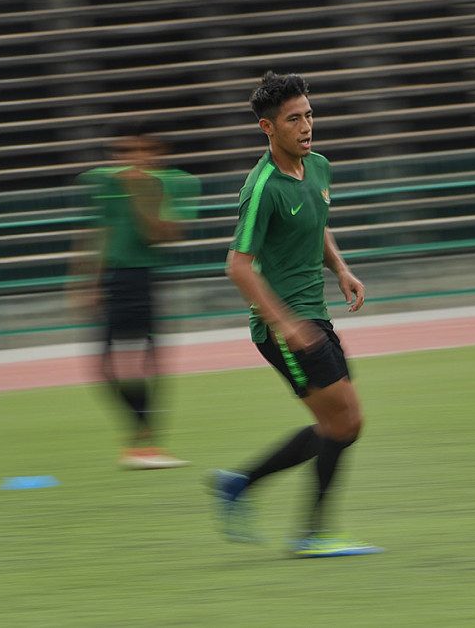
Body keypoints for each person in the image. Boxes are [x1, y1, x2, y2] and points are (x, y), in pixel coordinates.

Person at [208, 71, 384, 557]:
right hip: (284, 326)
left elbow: (317, 224)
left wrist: (341, 270)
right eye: (294, 119)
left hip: (314, 316)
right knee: (345, 423)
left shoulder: (319, 166)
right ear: (268, 128)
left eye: (309, 115)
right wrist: (284, 323)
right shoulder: (262, 186)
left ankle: (240, 484)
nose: (306, 126)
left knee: (342, 424)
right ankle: (312, 533)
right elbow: (237, 266)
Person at [69, 120, 200, 469]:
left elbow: (162, 235)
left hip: (146, 276)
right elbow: (97, 231)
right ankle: (141, 437)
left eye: (143, 150)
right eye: (126, 152)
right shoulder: (103, 182)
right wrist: (84, 282)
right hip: (112, 278)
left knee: (149, 361)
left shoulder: (178, 184)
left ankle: (146, 442)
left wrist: (141, 193)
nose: (134, 159)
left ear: (158, 153)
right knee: (103, 366)